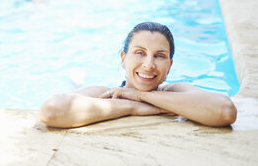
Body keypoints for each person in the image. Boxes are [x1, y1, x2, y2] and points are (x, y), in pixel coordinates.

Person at [39, 21, 237, 128]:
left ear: (169, 66)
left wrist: (142, 95)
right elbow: (51, 110)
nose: (149, 65)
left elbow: (225, 111)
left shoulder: (176, 90)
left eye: (159, 56)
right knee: (76, 87)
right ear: (123, 59)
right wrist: (133, 106)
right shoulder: (106, 93)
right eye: (140, 53)